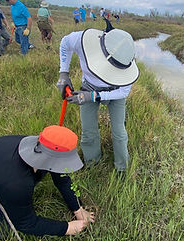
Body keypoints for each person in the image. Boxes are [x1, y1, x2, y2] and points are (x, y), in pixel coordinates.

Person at [56, 20, 139, 174]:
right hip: (88, 86)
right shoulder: (81, 40)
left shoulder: (126, 60)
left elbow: (123, 93)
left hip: (115, 92)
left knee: (119, 133)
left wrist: (93, 96)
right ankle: (92, 164)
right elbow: (65, 43)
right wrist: (63, 73)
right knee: (88, 131)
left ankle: (122, 168)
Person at [0, 125, 95, 238]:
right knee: (3, 229)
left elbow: (62, 180)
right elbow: (27, 224)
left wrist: (78, 208)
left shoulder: (37, 147)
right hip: (6, 182)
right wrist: (67, 228)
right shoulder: (17, 184)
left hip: (2, 169)